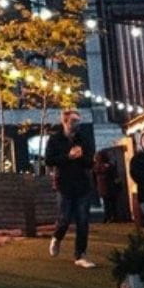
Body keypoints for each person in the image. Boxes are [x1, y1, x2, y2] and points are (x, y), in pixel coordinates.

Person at [46, 109, 98, 268]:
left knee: (83, 220)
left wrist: (82, 157)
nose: (77, 124)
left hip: (82, 183)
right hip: (64, 184)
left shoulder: (84, 139)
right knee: (65, 218)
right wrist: (68, 157)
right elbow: (49, 160)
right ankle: (57, 237)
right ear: (65, 122)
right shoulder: (55, 139)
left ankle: (80, 254)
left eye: (78, 121)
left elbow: (91, 162)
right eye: (73, 121)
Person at [93, 152, 119, 223]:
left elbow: (94, 177)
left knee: (106, 203)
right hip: (110, 186)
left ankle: (107, 217)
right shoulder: (110, 166)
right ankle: (113, 217)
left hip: (102, 186)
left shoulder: (96, 167)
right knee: (111, 203)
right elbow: (115, 176)